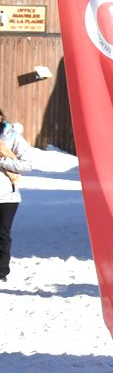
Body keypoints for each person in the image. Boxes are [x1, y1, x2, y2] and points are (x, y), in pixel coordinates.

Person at [0, 108, 33, 282]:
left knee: (2, 234)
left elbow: (28, 165)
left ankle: (2, 271)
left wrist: (2, 161)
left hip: (7, 196)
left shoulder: (12, 138)